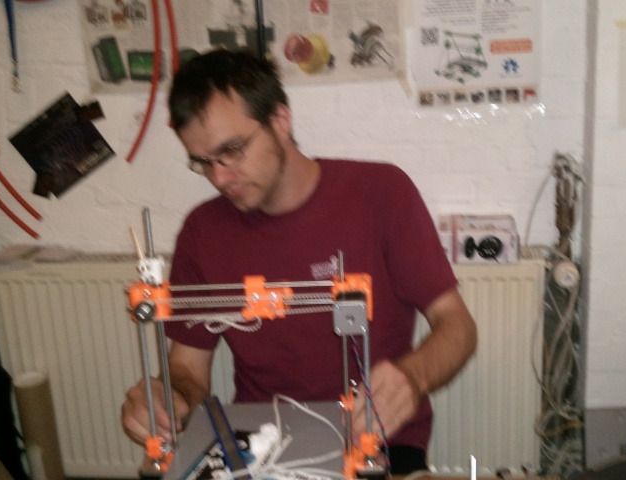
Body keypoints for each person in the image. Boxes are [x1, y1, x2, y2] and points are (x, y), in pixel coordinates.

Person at [121, 48, 477, 474]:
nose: (219, 178)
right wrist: (169, 400)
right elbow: (188, 370)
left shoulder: (382, 194)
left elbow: (457, 326)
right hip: (260, 442)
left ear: (280, 120)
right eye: (203, 162)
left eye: (231, 151)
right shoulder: (203, 232)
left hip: (378, 438)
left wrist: (413, 377)